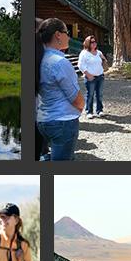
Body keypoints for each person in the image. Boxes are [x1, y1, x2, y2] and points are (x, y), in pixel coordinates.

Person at [35, 18, 84, 161]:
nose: (68, 37)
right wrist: (81, 107)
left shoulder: (40, 57)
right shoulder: (60, 62)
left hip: (44, 119)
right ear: (58, 35)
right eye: (66, 33)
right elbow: (76, 98)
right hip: (62, 121)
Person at [77, 35, 108, 119]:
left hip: (100, 76)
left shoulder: (99, 52)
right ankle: (89, 111)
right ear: (87, 43)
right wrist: (88, 75)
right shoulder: (84, 53)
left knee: (99, 94)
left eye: (95, 42)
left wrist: (103, 59)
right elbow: (80, 65)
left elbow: (104, 61)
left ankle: (99, 110)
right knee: (90, 94)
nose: (94, 43)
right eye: (92, 42)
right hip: (90, 78)